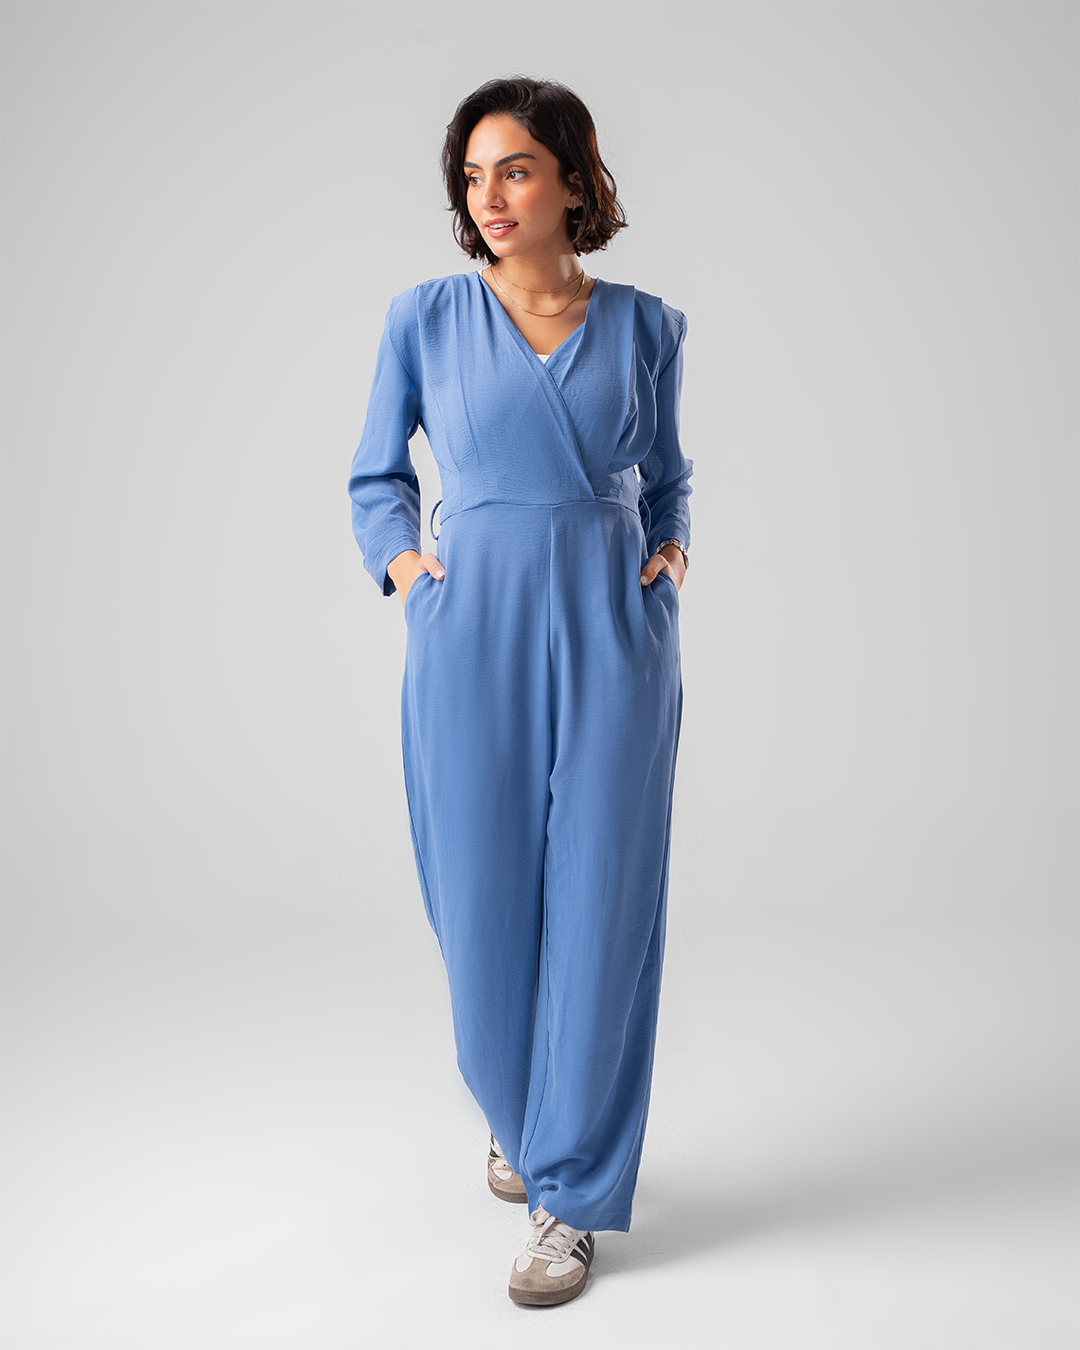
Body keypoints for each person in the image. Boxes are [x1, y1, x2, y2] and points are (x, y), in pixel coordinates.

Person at [347, 75, 692, 1307]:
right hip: (471, 634)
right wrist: (408, 573)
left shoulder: (647, 327)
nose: (489, 196)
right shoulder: (425, 319)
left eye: (516, 169)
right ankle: (519, 1109)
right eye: (473, 174)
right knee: (481, 901)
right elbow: (376, 475)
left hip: (611, 635)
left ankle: (569, 1195)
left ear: (573, 181)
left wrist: (671, 558)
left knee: (603, 908)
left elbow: (669, 476)